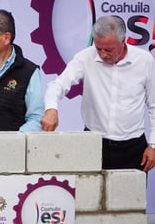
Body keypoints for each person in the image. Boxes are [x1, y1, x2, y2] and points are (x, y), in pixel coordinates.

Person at [41, 15, 155, 172]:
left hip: (133, 147)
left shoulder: (145, 61)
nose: (102, 54)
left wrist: (153, 145)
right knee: (89, 195)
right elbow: (58, 84)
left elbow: (154, 105)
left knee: (130, 196)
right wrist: (51, 108)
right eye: (98, 48)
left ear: (123, 41)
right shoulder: (85, 57)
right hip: (93, 144)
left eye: (108, 49)